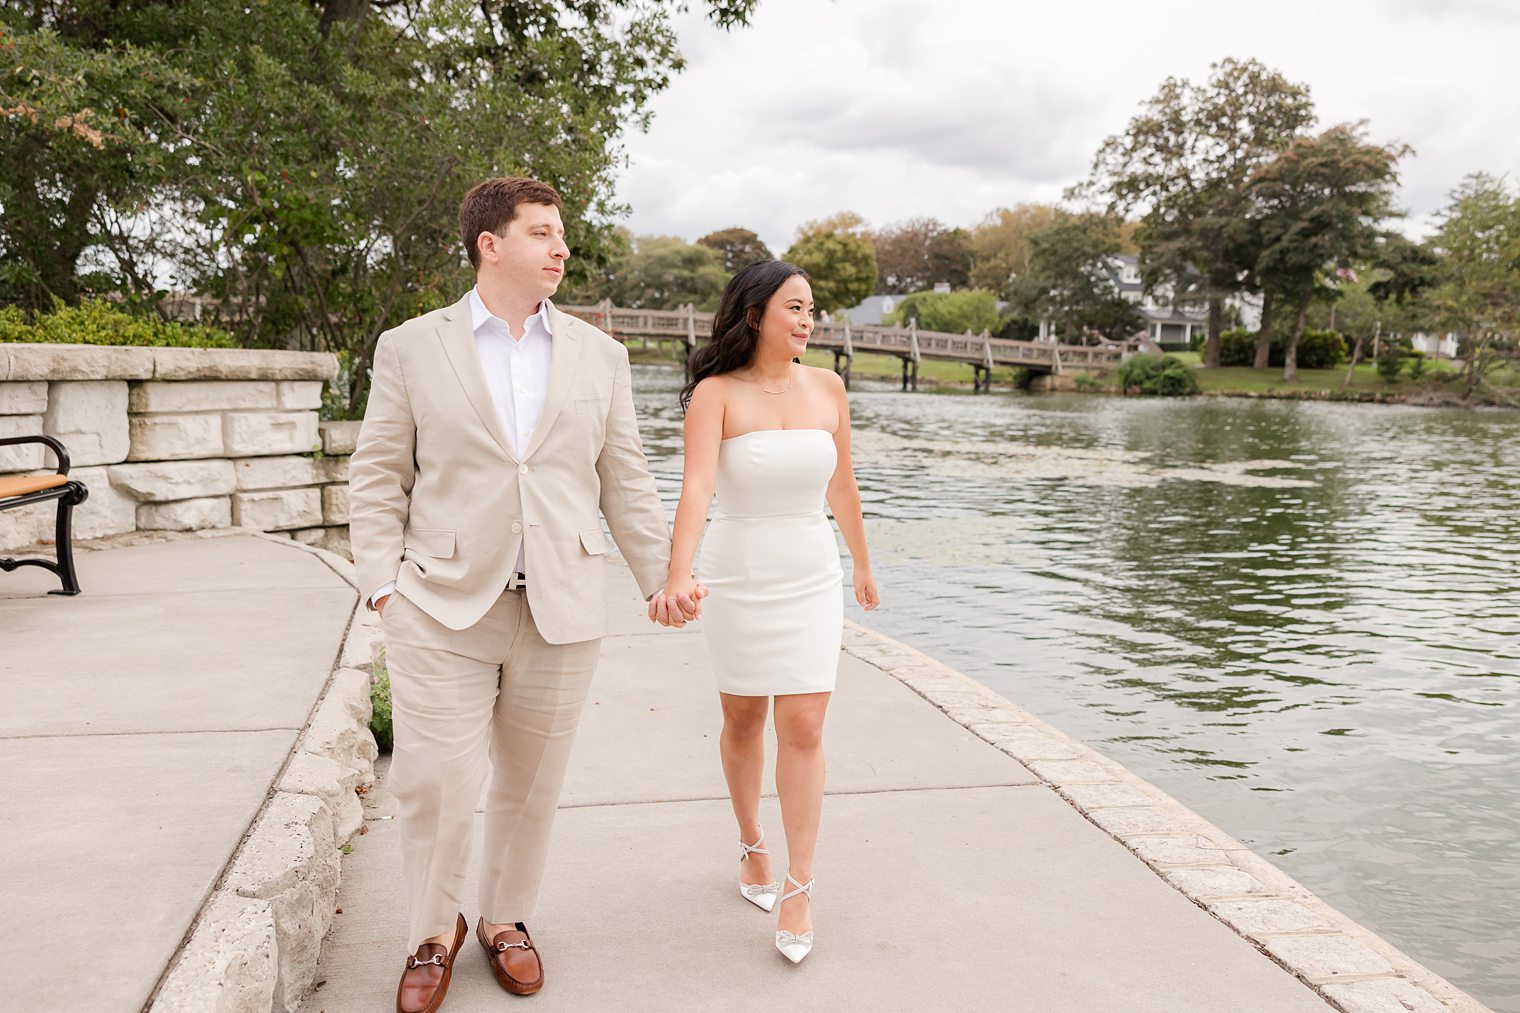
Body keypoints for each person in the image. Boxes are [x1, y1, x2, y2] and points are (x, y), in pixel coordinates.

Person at [349, 176, 704, 1013]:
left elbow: (626, 480)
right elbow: (376, 477)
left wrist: (664, 576)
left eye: (562, 234)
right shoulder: (410, 347)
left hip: (564, 603)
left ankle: (506, 919)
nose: (561, 248)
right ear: (491, 244)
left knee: (532, 780)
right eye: (544, 232)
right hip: (439, 604)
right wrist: (382, 587)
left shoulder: (599, 356)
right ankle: (432, 932)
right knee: (435, 777)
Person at [649, 259, 879, 964]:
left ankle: (799, 883)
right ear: (754, 315)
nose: (809, 320)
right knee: (744, 717)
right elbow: (694, 490)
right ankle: (751, 840)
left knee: (804, 723)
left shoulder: (830, 387)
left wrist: (863, 565)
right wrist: (677, 572)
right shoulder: (715, 395)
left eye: (813, 309)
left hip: (810, 573)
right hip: (736, 572)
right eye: (796, 307)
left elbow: (842, 485)